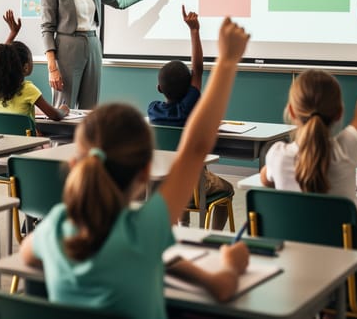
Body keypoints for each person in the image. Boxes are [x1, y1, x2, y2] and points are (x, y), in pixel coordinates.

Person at [21, 17, 252, 318]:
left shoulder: (54, 227)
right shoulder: (143, 231)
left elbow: (29, 257)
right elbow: (195, 148)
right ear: (145, 171)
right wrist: (227, 61)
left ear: (77, 163)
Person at [260, 0, 357, 302]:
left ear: (291, 111)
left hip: (290, 277)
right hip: (343, 283)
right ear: (340, 113)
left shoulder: (277, 156)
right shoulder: (345, 149)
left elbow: (265, 181)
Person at [41, 0, 176, 109]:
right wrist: (52, 68)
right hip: (67, 47)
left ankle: (86, 137)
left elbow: (121, 1)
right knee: (64, 106)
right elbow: (46, 28)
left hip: (93, 45)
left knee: (90, 107)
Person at [148, 5, 234, 230]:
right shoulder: (189, 109)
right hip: (193, 186)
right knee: (227, 188)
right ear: (189, 89)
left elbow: (195, 73)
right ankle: (211, 238)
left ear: (159, 88)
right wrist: (194, 31)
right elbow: (198, 69)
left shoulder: (153, 111)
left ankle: (183, 230)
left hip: (161, 184)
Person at [0, 10, 68, 123]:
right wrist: (63, 109)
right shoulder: (27, 89)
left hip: (3, 140)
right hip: (26, 140)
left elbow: (1, 59)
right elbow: (55, 115)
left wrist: (12, 34)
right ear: (25, 67)